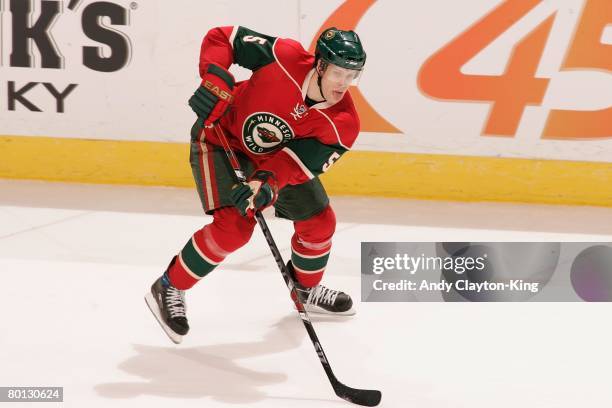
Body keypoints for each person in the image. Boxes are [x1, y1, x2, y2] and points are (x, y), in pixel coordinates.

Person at [145, 25, 367, 343]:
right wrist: (215, 78)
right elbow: (223, 37)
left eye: (352, 75)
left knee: (319, 222)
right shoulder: (285, 56)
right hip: (221, 139)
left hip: (271, 162)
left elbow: (294, 164)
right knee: (233, 229)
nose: (344, 84)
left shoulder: (343, 123)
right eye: (338, 73)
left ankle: (305, 289)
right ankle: (170, 285)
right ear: (320, 65)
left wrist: (265, 184)